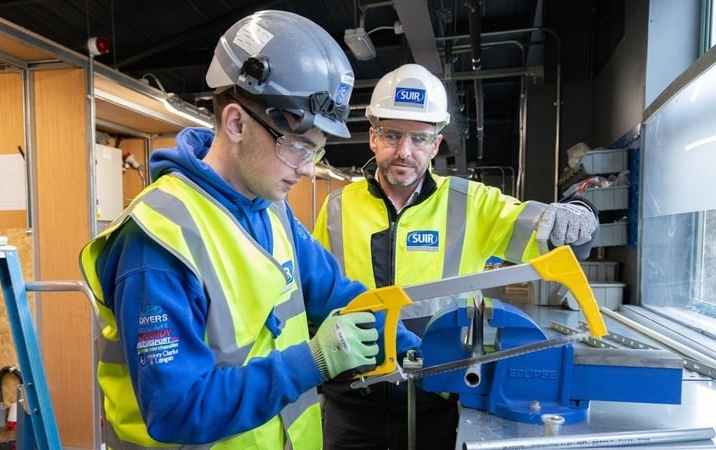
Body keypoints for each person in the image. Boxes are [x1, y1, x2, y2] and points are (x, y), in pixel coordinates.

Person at [78, 11, 420, 450]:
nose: (307, 170)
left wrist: (412, 346)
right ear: (237, 123)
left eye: (315, 152)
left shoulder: (271, 210)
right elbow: (177, 410)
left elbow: (337, 294)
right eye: (297, 146)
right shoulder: (158, 244)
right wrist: (312, 362)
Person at [313, 63, 600, 450]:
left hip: (439, 397)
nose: (404, 151)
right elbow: (313, 298)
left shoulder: (472, 204)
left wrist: (580, 213)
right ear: (372, 137)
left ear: (435, 144)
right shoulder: (335, 206)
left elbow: (551, 237)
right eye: (392, 135)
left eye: (419, 138)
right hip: (351, 400)